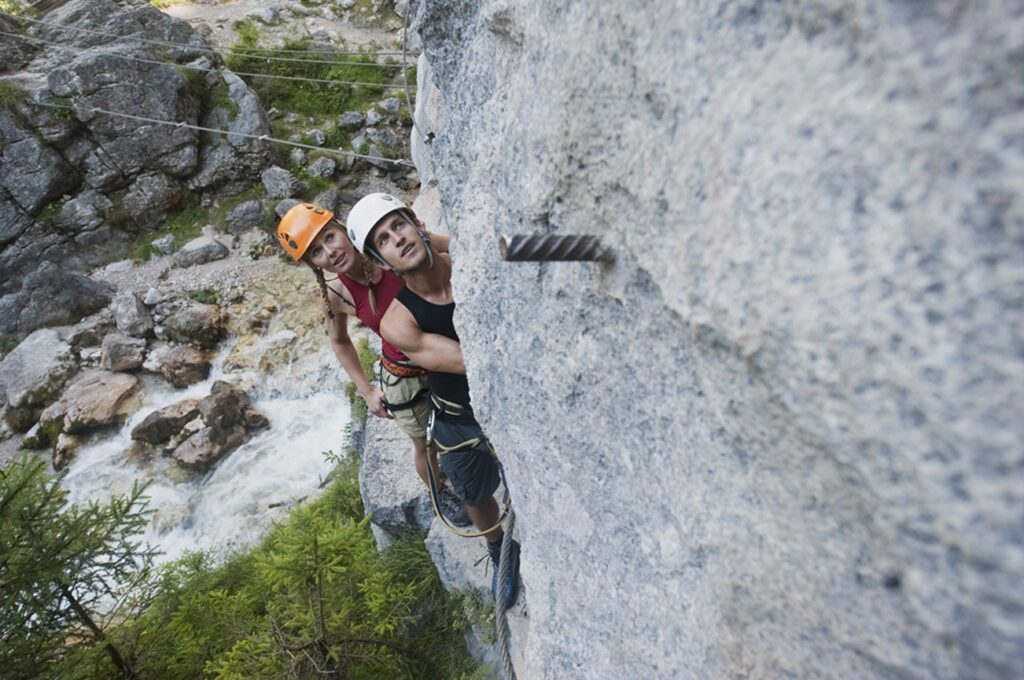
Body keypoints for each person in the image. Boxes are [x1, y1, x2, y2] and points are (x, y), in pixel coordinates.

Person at [346, 193, 520, 607]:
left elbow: (520, 248)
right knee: (474, 492)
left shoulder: (469, 257)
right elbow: (472, 361)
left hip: (502, 401)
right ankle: (498, 548)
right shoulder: (398, 321)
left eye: (399, 225)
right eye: (385, 239)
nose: (398, 239)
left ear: (417, 225)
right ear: (382, 261)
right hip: (459, 414)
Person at [275, 203, 470, 527]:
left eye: (330, 238)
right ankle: (440, 492)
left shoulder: (389, 247)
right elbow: (339, 342)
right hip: (406, 374)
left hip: (441, 348)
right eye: (318, 253)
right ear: (313, 265)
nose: (330, 252)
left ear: (342, 228)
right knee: (425, 444)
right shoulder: (336, 296)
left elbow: (452, 246)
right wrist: (366, 390)